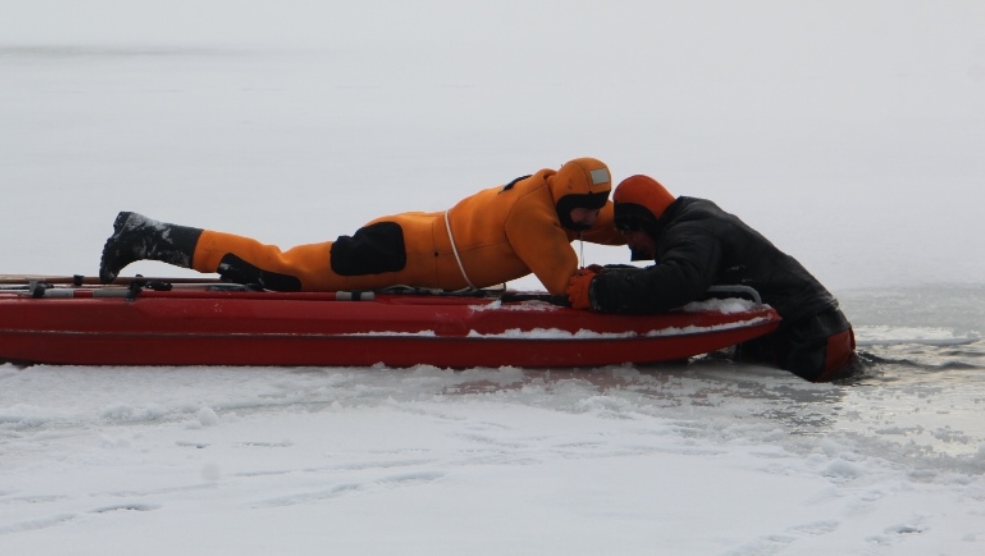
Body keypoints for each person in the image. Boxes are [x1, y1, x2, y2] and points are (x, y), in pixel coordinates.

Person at [99, 157, 625, 296]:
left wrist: (658, 229)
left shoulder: (554, 192)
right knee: (284, 272)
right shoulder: (535, 216)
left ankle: (150, 234)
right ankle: (145, 234)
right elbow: (568, 284)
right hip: (397, 253)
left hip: (417, 234)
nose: (589, 218)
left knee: (283, 269)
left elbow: (604, 221)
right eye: (585, 209)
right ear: (568, 200)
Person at [565, 175, 857, 382]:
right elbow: (682, 275)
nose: (631, 246)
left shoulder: (691, 230)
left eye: (629, 234)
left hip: (810, 341)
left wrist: (599, 290)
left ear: (643, 222)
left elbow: (678, 283)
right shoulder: (690, 220)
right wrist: (610, 274)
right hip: (814, 333)